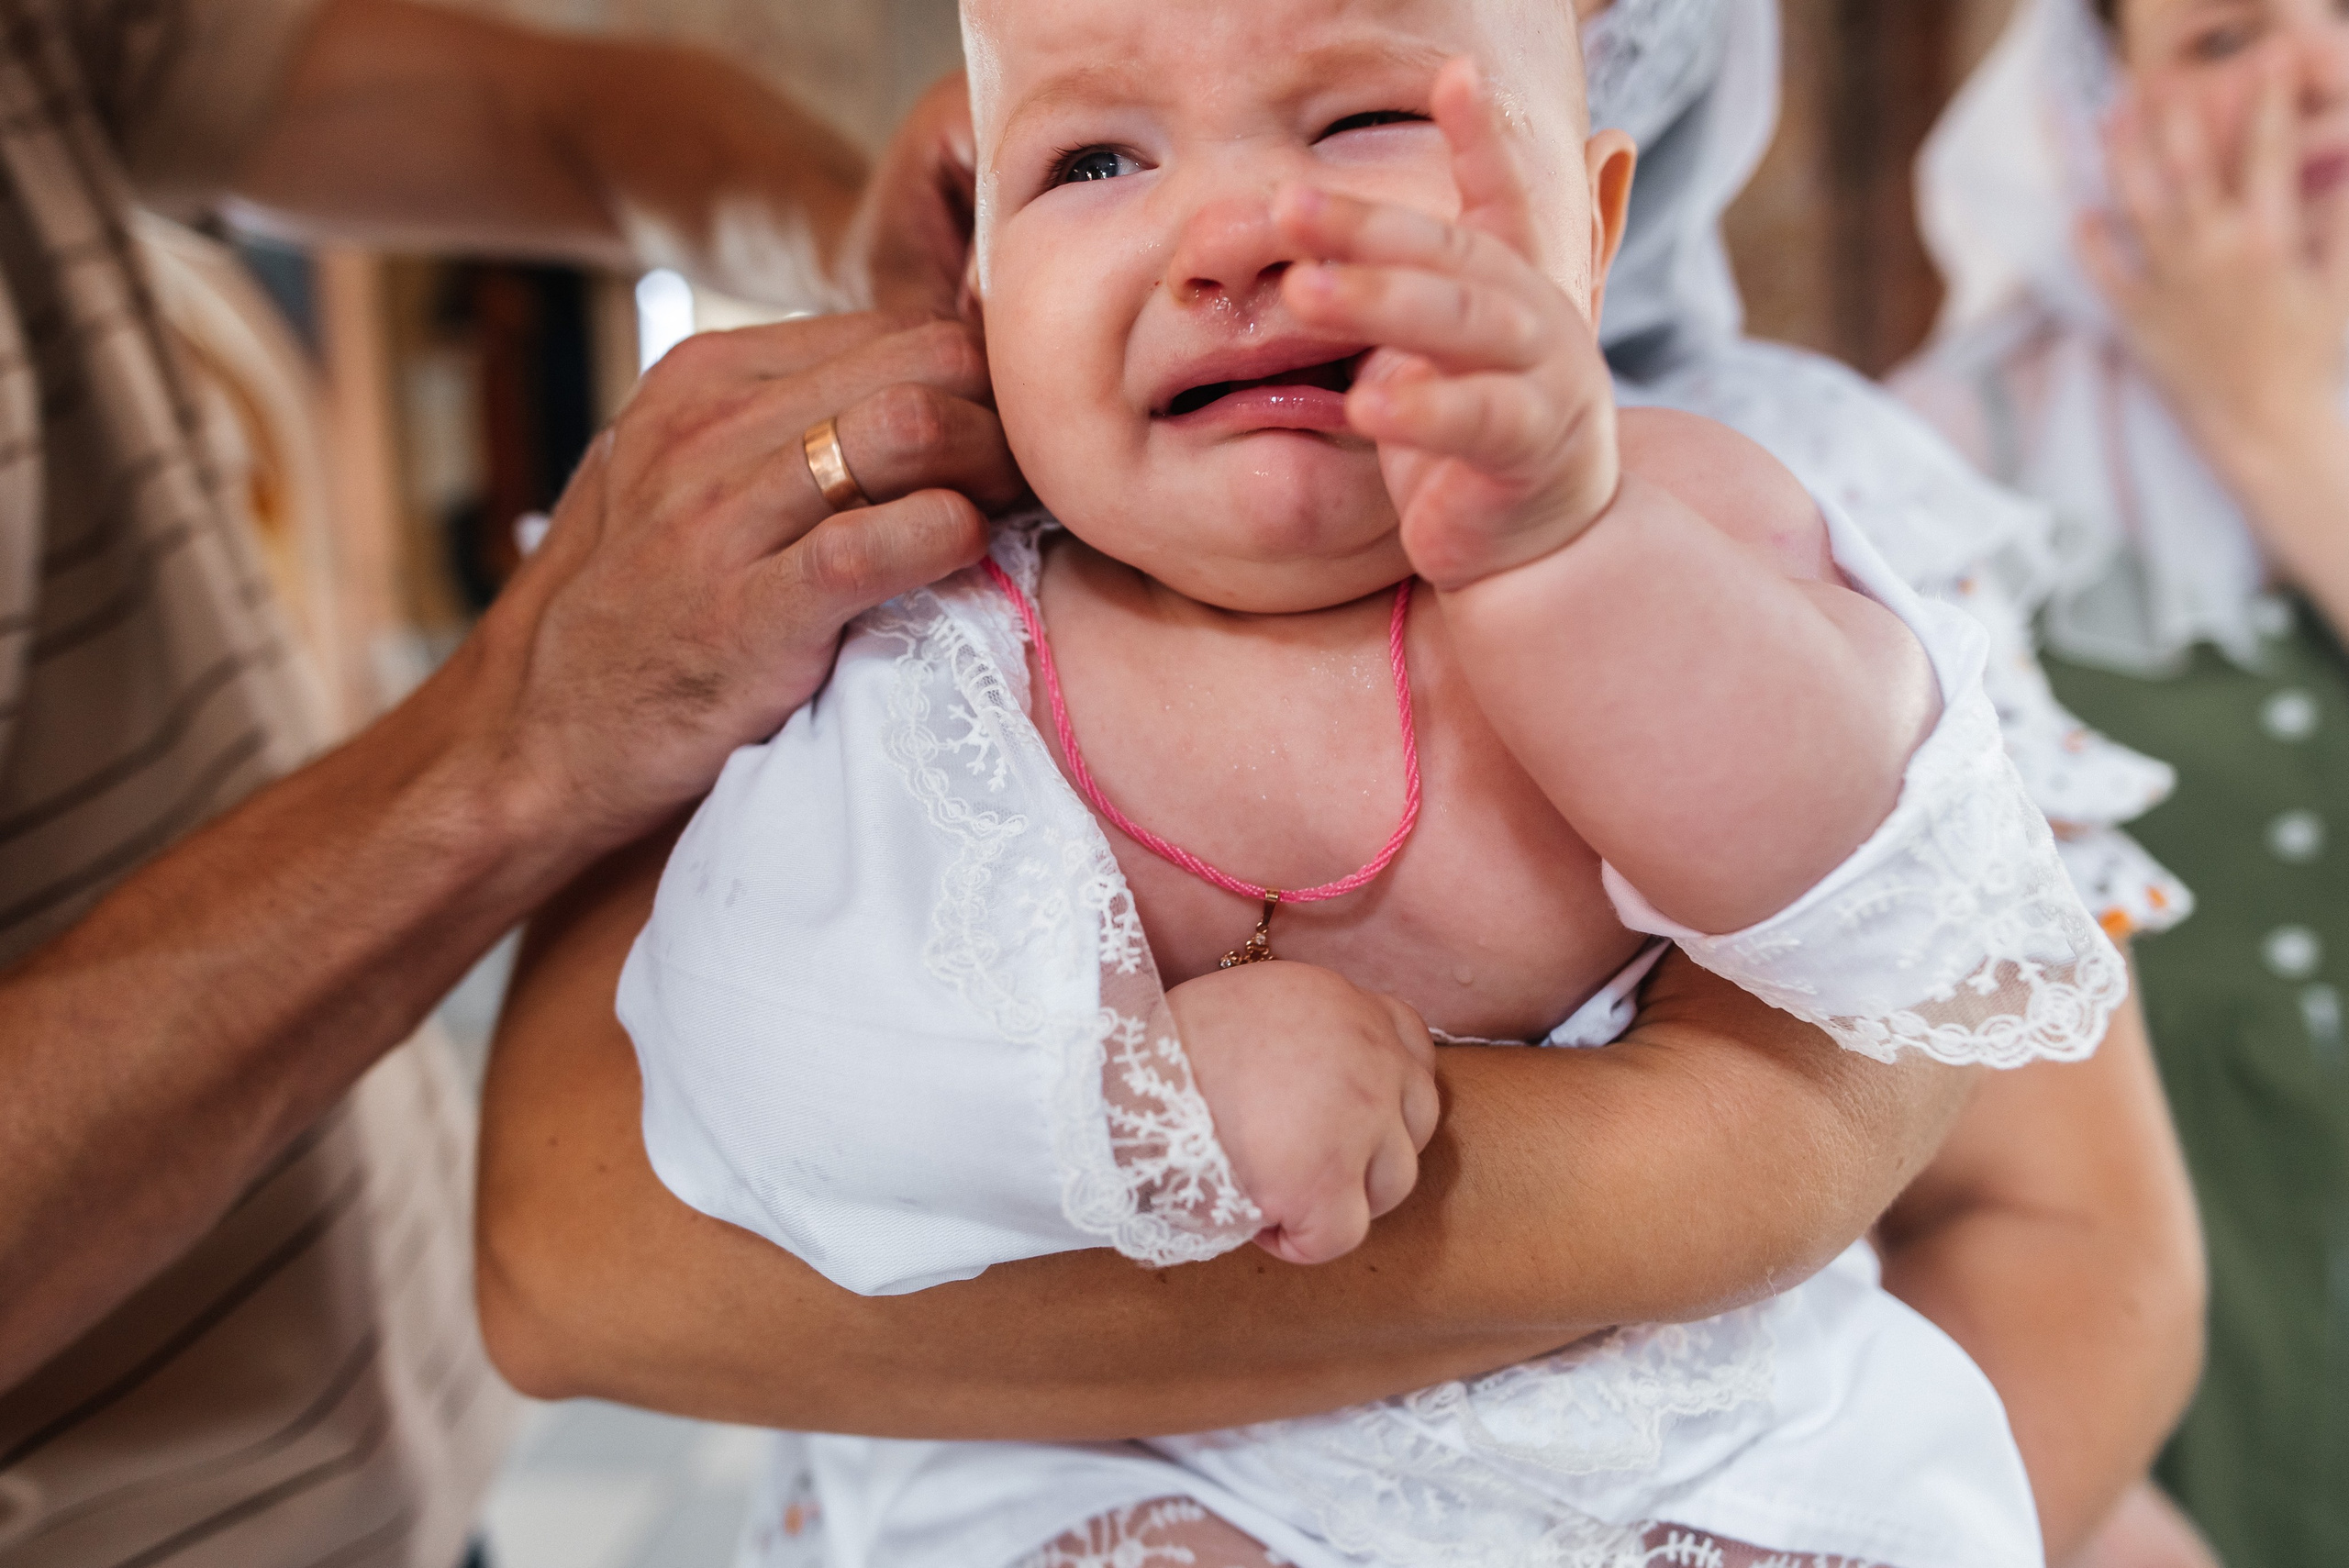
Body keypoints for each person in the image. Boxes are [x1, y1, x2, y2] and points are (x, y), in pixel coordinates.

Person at [476, 4, 2199, 1568]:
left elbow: (1875, 876)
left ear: (1587, 228)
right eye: (1094, 158)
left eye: (1366, 119)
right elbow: (754, 1040)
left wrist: (1569, 556)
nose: (1234, 238)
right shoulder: (921, 633)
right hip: (1097, 1458)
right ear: (979, 287)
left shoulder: (1702, 522)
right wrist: (1131, 1087)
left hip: (1663, 1429)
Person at [0, 3, 1019, 1563]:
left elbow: (549, 122)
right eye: (1103, 163)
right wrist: (511, 743)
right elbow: (574, 1261)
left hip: (376, 1435)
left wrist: (865, 231)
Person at [1896, 0, 2349, 1563]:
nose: (2319, 72)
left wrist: (2272, 418)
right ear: (2088, 113)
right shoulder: (1934, 467)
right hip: (2158, 1295)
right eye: (2225, 40)